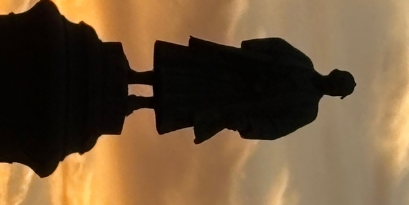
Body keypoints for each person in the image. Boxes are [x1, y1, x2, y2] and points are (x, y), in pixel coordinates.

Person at [126, 37, 355, 143]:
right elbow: (277, 45)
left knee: (188, 102)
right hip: (235, 74)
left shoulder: (307, 111)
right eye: (338, 80)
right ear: (334, 72)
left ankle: (138, 103)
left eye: (338, 89)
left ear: (336, 95)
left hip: (239, 101)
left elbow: (275, 128)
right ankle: (135, 76)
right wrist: (250, 50)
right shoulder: (302, 63)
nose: (334, 86)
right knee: (185, 76)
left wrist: (244, 123)